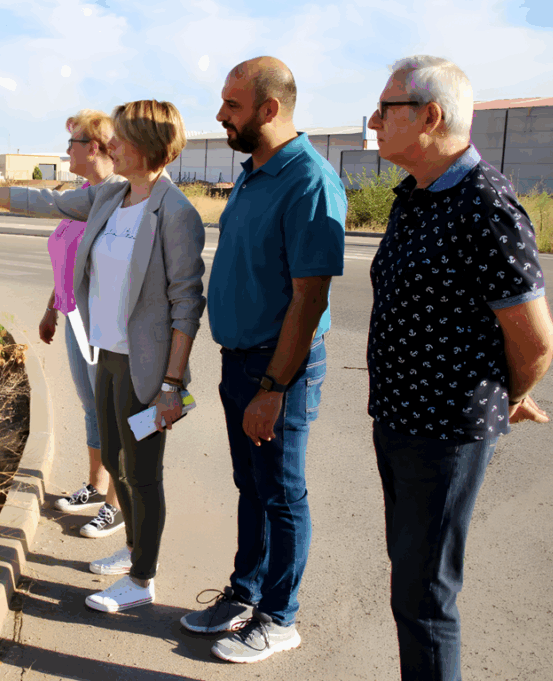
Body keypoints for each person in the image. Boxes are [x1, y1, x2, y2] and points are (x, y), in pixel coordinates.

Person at [0, 100, 206, 613]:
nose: (111, 145)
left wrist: (171, 384)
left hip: (146, 367)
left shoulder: (176, 213)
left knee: (142, 473)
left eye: (120, 138)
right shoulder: (111, 195)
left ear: (145, 145)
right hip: (109, 354)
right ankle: (135, 551)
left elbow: (187, 304)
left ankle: (142, 580)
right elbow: (40, 201)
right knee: (115, 461)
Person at [365, 55, 553, 681]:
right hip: (399, 422)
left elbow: (536, 341)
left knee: (425, 597)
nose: (373, 121)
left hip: (444, 433)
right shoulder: (415, 195)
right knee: (410, 579)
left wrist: (511, 395)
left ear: (429, 116)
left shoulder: (485, 205)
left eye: (385, 109)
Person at [179, 56, 346, 664]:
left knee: (282, 493)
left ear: (269, 109)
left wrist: (274, 386)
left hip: (278, 369)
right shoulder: (253, 172)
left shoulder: (310, 180)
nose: (221, 115)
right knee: (251, 487)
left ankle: (280, 616)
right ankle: (245, 593)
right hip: (240, 362)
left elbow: (309, 297)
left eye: (233, 105)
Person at [40, 110, 126, 540]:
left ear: (93, 148)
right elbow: (67, 263)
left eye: (71, 143)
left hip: (101, 324)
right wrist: (51, 308)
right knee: (91, 406)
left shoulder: (114, 197)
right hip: (75, 317)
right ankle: (96, 484)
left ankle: (116, 505)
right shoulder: (81, 196)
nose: (66, 151)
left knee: (112, 412)